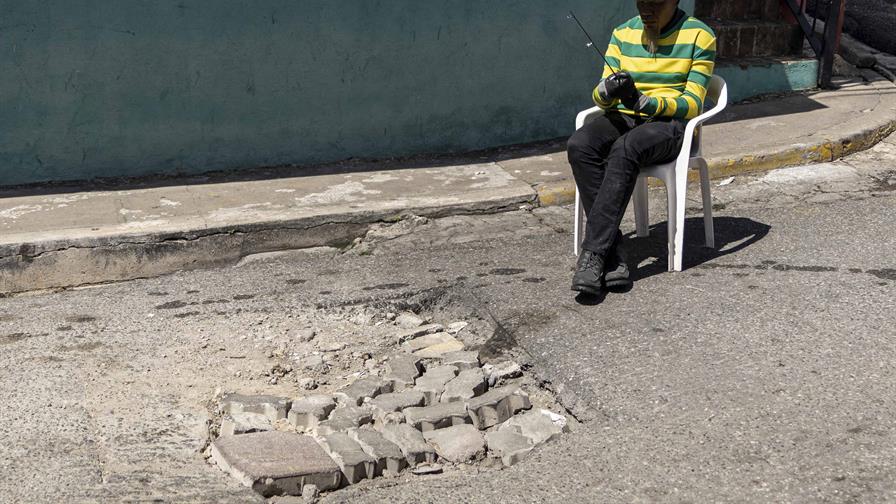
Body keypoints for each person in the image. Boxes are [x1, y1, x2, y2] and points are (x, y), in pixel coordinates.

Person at [568, 0, 716, 295]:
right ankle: (614, 251)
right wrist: (609, 90)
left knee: (627, 147)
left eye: (655, 3)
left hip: (670, 125)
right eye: (642, 2)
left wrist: (650, 103)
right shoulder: (623, 32)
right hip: (625, 117)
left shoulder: (700, 35)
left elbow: (693, 103)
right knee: (580, 144)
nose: (646, 9)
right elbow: (600, 96)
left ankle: (594, 253)